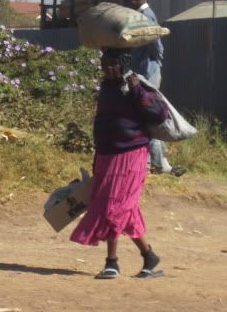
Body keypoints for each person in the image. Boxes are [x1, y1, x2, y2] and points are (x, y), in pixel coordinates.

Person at [70, 48, 168, 279]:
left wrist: (137, 90)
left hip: (131, 154)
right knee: (124, 207)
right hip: (107, 154)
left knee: (114, 207)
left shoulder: (137, 85)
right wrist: (97, 156)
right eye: (104, 63)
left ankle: (112, 262)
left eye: (112, 63)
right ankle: (149, 257)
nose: (107, 68)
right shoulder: (106, 88)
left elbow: (158, 114)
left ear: (123, 63)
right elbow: (101, 121)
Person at [126, 0, 185, 177]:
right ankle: (154, 161)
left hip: (148, 71)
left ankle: (160, 164)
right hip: (143, 71)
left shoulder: (147, 15)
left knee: (151, 116)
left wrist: (156, 62)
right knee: (146, 116)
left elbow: (155, 43)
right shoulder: (140, 15)